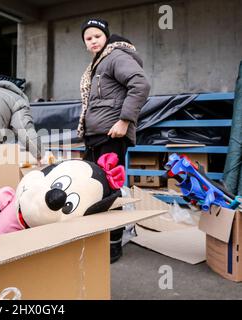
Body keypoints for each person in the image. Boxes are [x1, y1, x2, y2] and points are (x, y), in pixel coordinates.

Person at [78, 18, 151, 263]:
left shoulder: (116, 56)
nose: (93, 41)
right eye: (88, 38)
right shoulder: (97, 64)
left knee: (109, 190)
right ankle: (97, 238)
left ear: (106, 36)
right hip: (95, 136)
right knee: (93, 188)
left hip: (111, 135)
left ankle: (113, 244)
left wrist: (124, 120)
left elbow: (140, 84)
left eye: (97, 36)